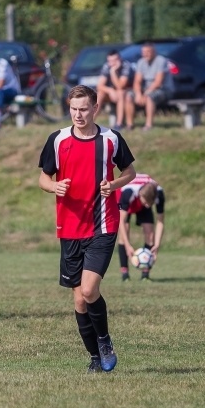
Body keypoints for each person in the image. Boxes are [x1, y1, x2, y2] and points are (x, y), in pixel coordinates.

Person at [38, 85, 136, 373]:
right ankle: (95, 357)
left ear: (95, 109)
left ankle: (104, 340)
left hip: (103, 223)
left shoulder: (110, 139)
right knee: (80, 299)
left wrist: (113, 185)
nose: (78, 115)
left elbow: (129, 172)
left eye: (83, 109)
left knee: (90, 289)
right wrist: (54, 186)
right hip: (69, 227)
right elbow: (43, 178)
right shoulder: (57, 140)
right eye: (73, 109)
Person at [117, 173, 165, 281]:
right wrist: (128, 245)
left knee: (150, 234)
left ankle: (145, 274)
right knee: (124, 234)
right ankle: (125, 274)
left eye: (150, 204)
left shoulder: (159, 194)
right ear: (140, 195)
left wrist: (157, 245)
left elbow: (160, 221)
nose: (148, 206)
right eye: (146, 202)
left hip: (143, 196)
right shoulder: (128, 192)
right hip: (123, 198)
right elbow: (121, 221)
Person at [125, 43, 173, 131]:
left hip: (163, 89)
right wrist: (138, 94)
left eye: (148, 51)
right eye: (144, 52)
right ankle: (130, 124)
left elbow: (158, 82)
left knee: (149, 97)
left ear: (154, 52)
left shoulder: (161, 61)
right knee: (129, 96)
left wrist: (145, 94)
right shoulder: (141, 62)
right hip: (146, 89)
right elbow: (137, 81)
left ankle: (148, 125)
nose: (146, 54)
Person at [95, 50, 131, 130]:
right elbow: (99, 86)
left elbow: (120, 86)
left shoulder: (126, 65)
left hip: (125, 93)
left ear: (119, 59)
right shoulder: (106, 66)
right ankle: (90, 122)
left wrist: (113, 71)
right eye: (110, 61)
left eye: (115, 60)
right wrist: (110, 90)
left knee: (121, 93)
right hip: (111, 93)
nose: (112, 63)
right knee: (100, 94)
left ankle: (119, 124)